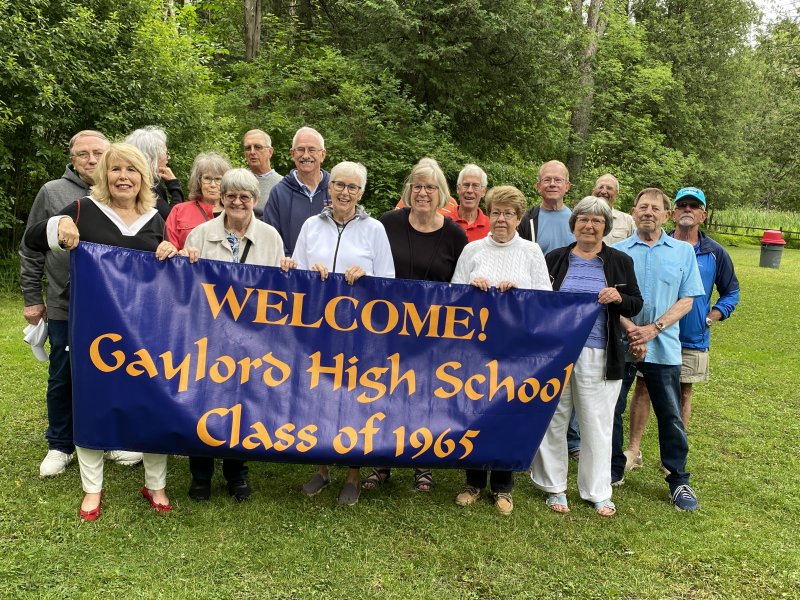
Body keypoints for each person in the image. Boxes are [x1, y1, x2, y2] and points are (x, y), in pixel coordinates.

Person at [23, 143, 180, 521]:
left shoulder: (156, 215)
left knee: (151, 400)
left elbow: (172, 268)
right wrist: (57, 226)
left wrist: (169, 249)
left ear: (144, 176)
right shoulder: (83, 209)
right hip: (92, 328)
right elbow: (32, 238)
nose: (123, 177)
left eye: (132, 169)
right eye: (115, 169)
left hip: (144, 328)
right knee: (91, 400)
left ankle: (155, 484)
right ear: (103, 175)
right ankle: (92, 488)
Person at [20, 130, 144, 477]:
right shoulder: (53, 192)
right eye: (82, 154)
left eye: (97, 154)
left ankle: (109, 437)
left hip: (116, 310)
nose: (90, 160)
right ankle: (60, 444)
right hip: (66, 302)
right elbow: (31, 245)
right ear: (72, 160)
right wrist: (32, 297)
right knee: (64, 374)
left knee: (113, 370)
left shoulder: (126, 197)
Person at [280, 161, 394, 506]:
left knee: (353, 400)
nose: (345, 192)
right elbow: (296, 274)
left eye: (353, 187)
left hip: (359, 331)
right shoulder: (311, 225)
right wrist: (305, 271)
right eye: (340, 185)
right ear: (329, 188)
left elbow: (389, 281)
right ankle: (322, 469)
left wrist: (367, 277)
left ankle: (353, 475)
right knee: (318, 397)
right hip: (316, 329)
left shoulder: (374, 229)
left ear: (361, 193)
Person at [529, 197, 643, 517]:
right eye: (583, 219)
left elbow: (635, 303)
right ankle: (553, 486)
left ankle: (597, 491)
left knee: (596, 423)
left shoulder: (619, 261)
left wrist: (618, 297)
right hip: (557, 352)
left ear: (605, 227)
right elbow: (537, 300)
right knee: (554, 418)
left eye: (596, 221)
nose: (589, 226)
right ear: (573, 224)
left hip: (600, 352)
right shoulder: (555, 259)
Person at [181, 169, 284, 501]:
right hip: (206, 333)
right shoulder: (199, 235)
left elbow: (278, 288)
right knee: (202, 401)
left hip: (251, 336)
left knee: (241, 402)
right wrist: (183, 260)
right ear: (221, 198)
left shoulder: (270, 236)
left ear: (255, 200)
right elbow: (184, 286)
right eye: (231, 195)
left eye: (245, 196)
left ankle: (237, 473)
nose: (238, 202)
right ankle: (200, 474)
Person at [450, 185, 552, 515]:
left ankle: (503, 486)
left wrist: (519, 293)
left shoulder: (531, 252)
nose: (501, 219)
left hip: (516, 349)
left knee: (508, 412)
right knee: (475, 410)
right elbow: (453, 293)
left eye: (509, 214)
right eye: (496, 212)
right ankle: (473, 482)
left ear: (519, 218)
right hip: (475, 348)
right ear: (488, 215)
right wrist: (471, 289)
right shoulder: (473, 249)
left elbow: (545, 298)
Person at [622, 187, 740, 471]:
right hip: (647, 335)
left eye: (694, 206)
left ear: (703, 214)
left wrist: (710, 318)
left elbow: (730, 291)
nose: (688, 209)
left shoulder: (714, 252)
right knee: (642, 388)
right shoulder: (644, 247)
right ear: (672, 213)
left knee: (682, 394)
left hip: (691, 336)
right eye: (682, 205)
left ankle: (674, 459)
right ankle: (633, 450)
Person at [369, 158, 468, 493]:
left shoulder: (455, 234)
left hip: (434, 332)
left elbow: (461, 284)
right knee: (386, 393)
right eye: (417, 186)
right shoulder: (388, 223)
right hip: (388, 327)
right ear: (408, 190)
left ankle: (422, 464)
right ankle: (381, 462)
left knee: (425, 396)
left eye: (430, 187)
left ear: (441, 193)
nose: (423, 192)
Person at [610, 187, 705, 511]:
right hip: (622, 343)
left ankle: (678, 479)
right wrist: (631, 329)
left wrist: (653, 329)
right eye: (643, 207)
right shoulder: (617, 251)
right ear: (633, 212)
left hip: (664, 345)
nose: (648, 212)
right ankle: (613, 470)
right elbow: (608, 297)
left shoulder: (683, 252)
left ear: (666, 215)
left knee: (670, 414)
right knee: (611, 410)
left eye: (655, 208)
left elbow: (687, 299)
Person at [263, 126, 330, 256]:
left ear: (323, 155)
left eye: (311, 150)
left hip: (329, 267)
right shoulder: (279, 193)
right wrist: (288, 260)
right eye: (300, 149)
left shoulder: (336, 190)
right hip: (290, 267)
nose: (306, 155)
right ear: (292, 154)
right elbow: (270, 237)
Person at [165, 152, 231, 250]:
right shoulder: (179, 211)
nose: (213, 185)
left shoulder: (233, 212)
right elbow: (169, 249)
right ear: (198, 181)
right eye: (207, 178)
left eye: (218, 179)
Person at [125, 126, 184, 220]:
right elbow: (171, 220)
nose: (168, 157)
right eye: (166, 153)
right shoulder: (144, 186)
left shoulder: (151, 183)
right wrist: (174, 185)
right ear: (152, 156)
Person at [518, 160, 575, 255]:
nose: (552, 184)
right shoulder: (527, 220)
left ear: (567, 186)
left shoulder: (578, 219)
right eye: (547, 180)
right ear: (538, 186)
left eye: (558, 180)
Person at [442, 163, 490, 242]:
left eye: (475, 186)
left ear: (483, 192)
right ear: (458, 189)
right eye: (466, 185)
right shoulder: (442, 222)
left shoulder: (491, 227)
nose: (469, 190)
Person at [243, 129, 282, 213]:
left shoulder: (282, 184)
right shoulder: (239, 181)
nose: (252, 152)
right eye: (248, 148)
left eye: (258, 147)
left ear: (270, 152)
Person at [593, 174, 635, 246]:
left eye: (609, 188)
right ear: (593, 191)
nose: (603, 191)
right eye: (600, 187)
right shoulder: (580, 218)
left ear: (617, 195)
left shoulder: (628, 221)